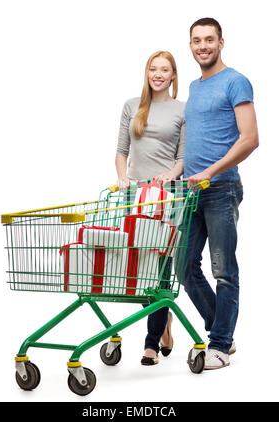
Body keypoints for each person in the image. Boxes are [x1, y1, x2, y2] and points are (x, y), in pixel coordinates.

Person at [181, 17, 259, 369]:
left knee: (223, 270)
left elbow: (250, 139)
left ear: (221, 42)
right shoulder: (195, 88)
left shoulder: (236, 81)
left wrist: (210, 173)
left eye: (209, 40)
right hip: (191, 193)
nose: (203, 46)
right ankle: (221, 331)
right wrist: (181, 173)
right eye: (196, 41)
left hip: (221, 188)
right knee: (184, 267)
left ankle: (220, 345)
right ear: (191, 45)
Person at [115, 50, 185, 365]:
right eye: (153, 69)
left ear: (173, 75)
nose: (158, 74)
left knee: (160, 267)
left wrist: (171, 174)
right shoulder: (133, 106)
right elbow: (121, 150)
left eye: (164, 70)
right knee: (140, 265)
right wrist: (121, 177)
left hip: (168, 196)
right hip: (135, 195)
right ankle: (163, 320)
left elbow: (185, 155)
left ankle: (150, 344)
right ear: (147, 73)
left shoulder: (182, 110)